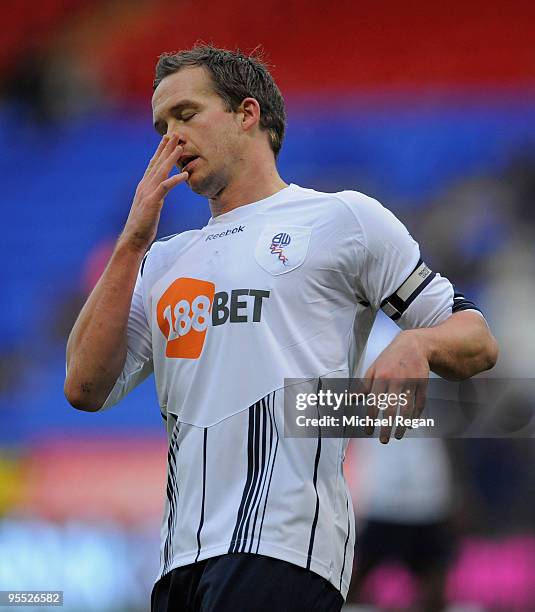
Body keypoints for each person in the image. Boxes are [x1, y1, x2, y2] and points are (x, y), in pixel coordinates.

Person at [64, 46, 498, 612]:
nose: (170, 141)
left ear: (248, 114)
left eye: (187, 115)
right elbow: (84, 387)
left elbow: (477, 339)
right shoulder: (162, 262)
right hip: (180, 562)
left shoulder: (342, 220)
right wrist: (131, 242)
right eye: (160, 126)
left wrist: (419, 340)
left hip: (285, 547)